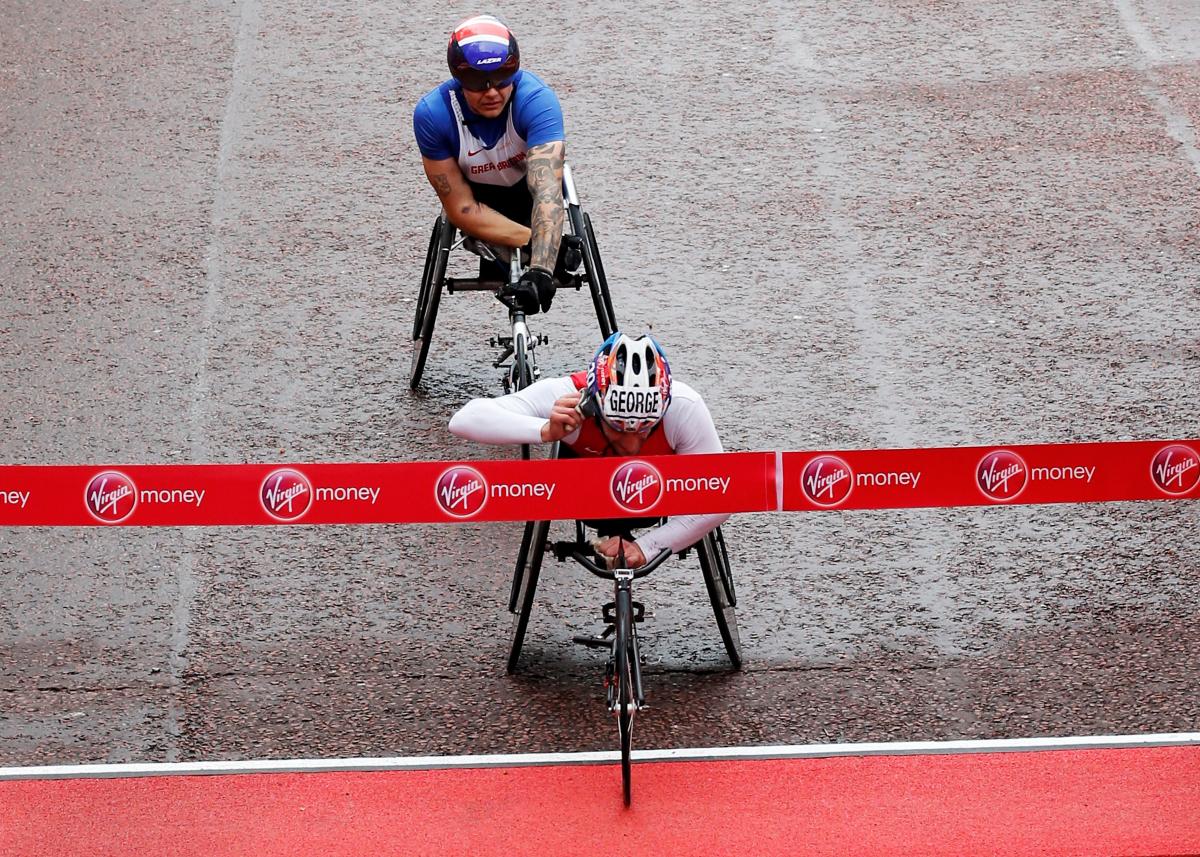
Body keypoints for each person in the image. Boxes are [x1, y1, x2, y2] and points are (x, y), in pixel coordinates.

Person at [449, 332, 730, 567]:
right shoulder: (569, 396)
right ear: (592, 403)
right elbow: (464, 420)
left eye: (646, 428)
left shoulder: (684, 406)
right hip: (585, 497)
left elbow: (723, 495)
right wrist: (545, 430)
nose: (631, 444)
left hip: (655, 498)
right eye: (617, 427)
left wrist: (647, 547)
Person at [412, 14, 568, 316]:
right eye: (476, 82)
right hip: (479, 206)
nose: (492, 91)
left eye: (502, 76)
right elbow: (462, 209)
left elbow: (548, 192)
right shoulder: (432, 115)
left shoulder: (537, 100)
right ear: (458, 77)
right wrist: (538, 246)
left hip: (530, 197)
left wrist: (541, 272)